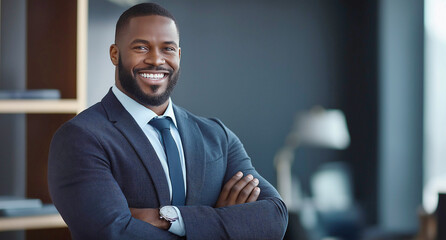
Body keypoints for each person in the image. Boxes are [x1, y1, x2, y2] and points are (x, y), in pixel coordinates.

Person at [48, 2, 288, 240]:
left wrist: (171, 218)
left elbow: (274, 218)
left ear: (179, 55)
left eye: (168, 49)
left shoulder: (217, 136)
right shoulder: (80, 138)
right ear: (115, 54)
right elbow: (112, 233)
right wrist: (221, 224)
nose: (156, 60)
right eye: (141, 47)